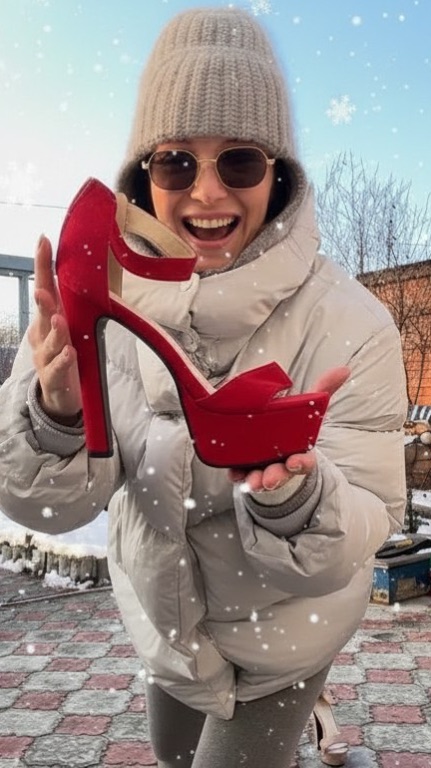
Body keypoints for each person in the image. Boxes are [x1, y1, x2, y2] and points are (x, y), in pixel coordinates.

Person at [0, 7, 407, 768]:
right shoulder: (91, 307)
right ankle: (301, 723)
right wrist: (56, 416)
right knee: (170, 751)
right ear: (142, 176)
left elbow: (365, 527)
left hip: (288, 633)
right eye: (176, 163)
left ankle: (302, 707)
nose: (208, 194)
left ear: (278, 174)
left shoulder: (352, 323)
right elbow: (48, 508)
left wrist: (295, 500)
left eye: (240, 161)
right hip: (166, 623)